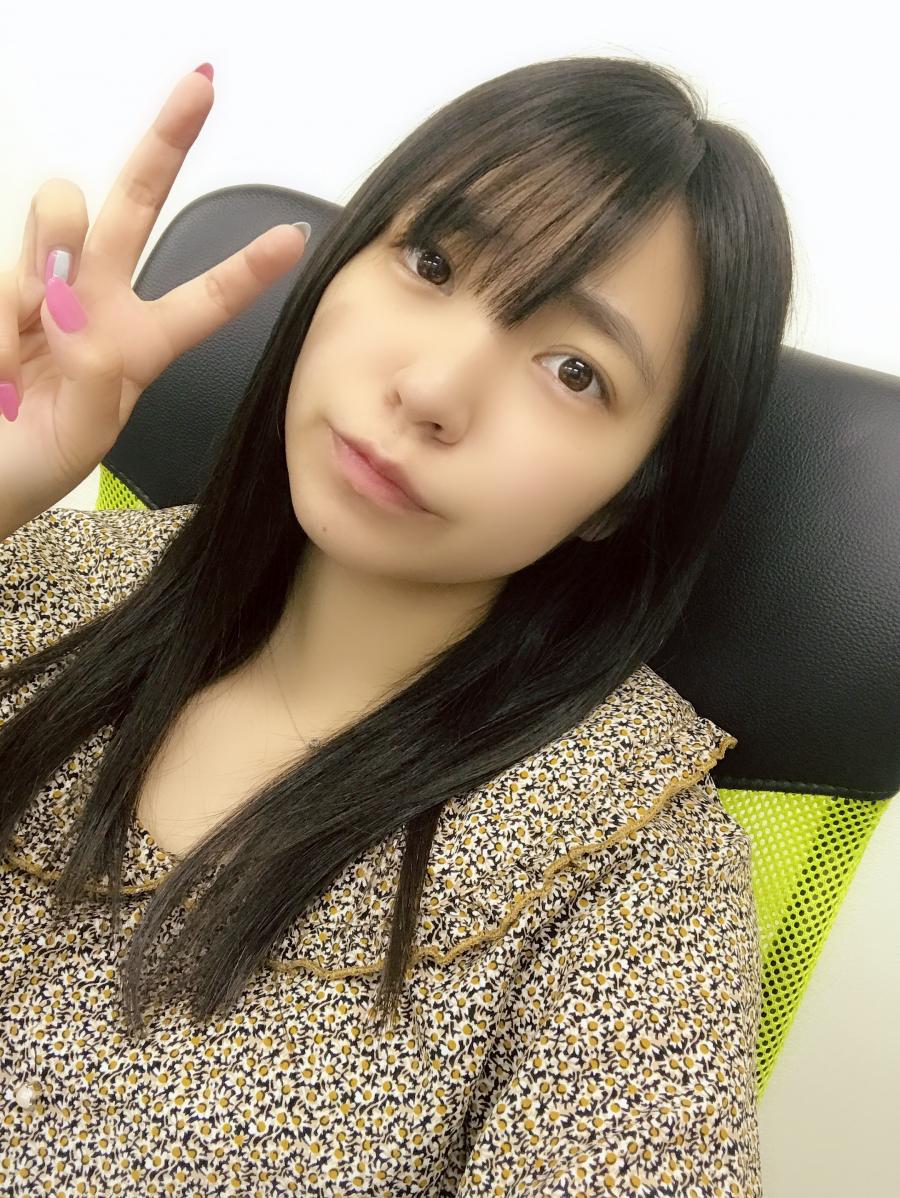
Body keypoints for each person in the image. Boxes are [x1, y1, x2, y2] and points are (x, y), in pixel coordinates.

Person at [0, 55, 792, 1195]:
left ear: (629, 493)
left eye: (575, 370)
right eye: (433, 263)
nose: (431, 390)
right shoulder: (40, 577)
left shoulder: (633, 879)